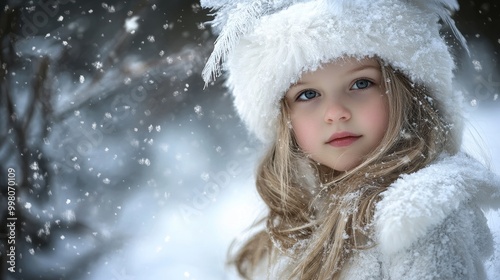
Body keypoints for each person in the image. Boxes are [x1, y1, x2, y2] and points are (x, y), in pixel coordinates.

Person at [201, 0, 500, 279]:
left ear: (406, 93)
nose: (335, 112)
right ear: (285, 121)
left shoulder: (420, 216)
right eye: (308, 94)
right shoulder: (290, 225)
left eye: (360, 83)